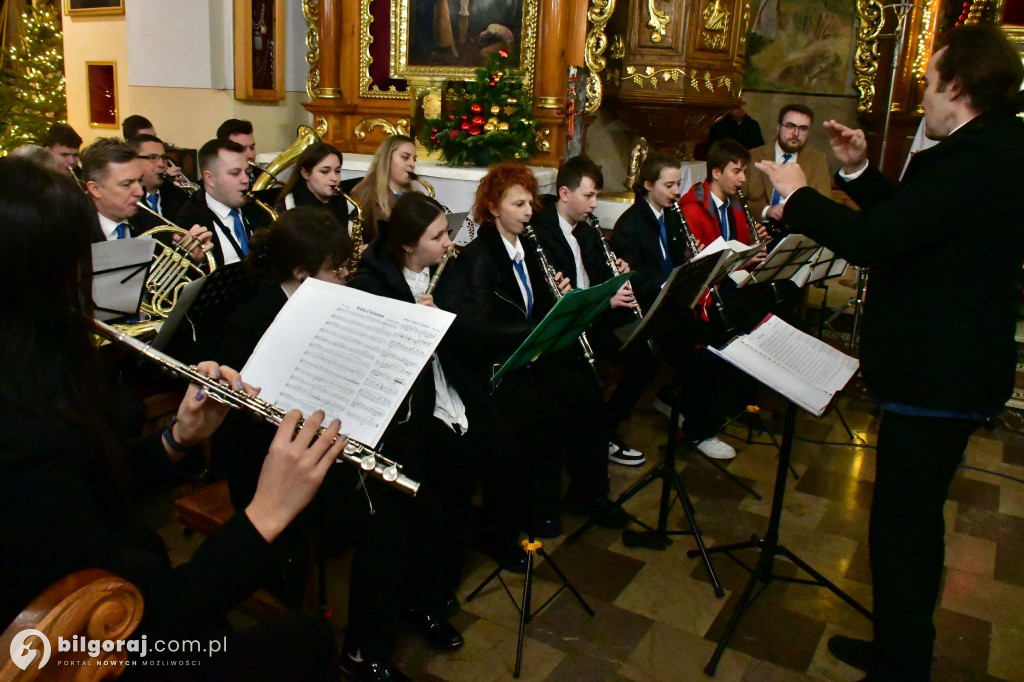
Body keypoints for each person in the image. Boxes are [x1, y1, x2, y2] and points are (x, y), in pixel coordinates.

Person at [0, 156, 342, 680]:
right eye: (81, 262)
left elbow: (83, 480)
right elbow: (164, 623)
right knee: (306, 643)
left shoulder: (30, 386)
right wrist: (267, 513)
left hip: (119, 599)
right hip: (95, 651)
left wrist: (177, 439)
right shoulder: (21, 438)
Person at [755, 24, 1024, 682]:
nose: (923, 96)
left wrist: (799, 195)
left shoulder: (977, 158)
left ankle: (903, 664)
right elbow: (912, 221)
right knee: (907, 519)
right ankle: (900, 646)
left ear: (957, 87)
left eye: (928, 83)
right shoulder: (993, 147)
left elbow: (878, 242)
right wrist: (858, 172)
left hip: (939, 374)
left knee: (904, 526)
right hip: (948, 371)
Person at [216, 206, 460, 681]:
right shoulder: (251, 321)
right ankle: (364, 653)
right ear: (302, 273)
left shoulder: (333, 301)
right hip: (279, 465)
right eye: (337, 270)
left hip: (330, 445)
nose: (348, 277)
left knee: (427, 494)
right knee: (384, 526)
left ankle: (416, 601)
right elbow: (244, 425)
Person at [441, 161, 628, 537]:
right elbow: (481, 327)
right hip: (500, 365)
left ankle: (588, 492)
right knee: (547, 414)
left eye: (529, 204)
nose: (529, 212)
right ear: (493, 208)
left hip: (531, 352)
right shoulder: (481, 256)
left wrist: (560, 298)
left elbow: (535, 303)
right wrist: (534, 328)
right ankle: (540, 507)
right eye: (518, 205)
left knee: (587, 393)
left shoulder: (528, 244)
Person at [610, 151, 738, 460]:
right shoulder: (631, 223)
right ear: (648, 185)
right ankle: (698, 429)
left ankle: (688, 412)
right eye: (669, 185)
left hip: (671, 306)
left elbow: (678, 253)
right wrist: (672, 277)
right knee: (696, 352)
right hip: (644, 310)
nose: (676, 192)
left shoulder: (671, 214)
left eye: (678, 184)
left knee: (717, 341)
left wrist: (692, 261)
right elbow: (634, 275)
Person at [529, 156, 651, 467]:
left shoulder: (586, 228)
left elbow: (597, 274)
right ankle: (594, 440)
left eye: (597, 195)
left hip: (595, 318)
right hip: (572, 329)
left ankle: (606, 429)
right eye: (589, 195)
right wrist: (605, 302)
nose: (594, 204)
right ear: (565, 194)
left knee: (648, 350)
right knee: (592, 377)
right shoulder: (543, 234)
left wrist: (618, 275)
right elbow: (562, 299)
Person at [81, 138, 211, 261]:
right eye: (126, 184)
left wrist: (192, 257)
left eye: (139, 181)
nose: (139, 192)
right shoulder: (72, 233)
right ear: (95, 189)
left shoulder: (151, 223)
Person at [174, 138, 272, 267]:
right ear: (210, 179)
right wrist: (197, 262)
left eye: (247, 172)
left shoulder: (258, 208)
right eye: (235, 173)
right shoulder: (187, 221)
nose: (245, 180)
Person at [744, 103, 832, 223]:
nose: (796, 133)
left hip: (798, 232)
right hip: (760, 230)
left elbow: (824, 207)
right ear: (779, 127)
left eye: (803, 128)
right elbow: (736, 200)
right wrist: (766, 210)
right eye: (790, 126)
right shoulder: (753, 156)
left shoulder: (817, 160)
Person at [350, 135, 419, 246]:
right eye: (405, 157)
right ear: (386, 159)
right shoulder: (365, 194)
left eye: (414, 159)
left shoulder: (414, 196)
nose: (412, 164)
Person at [275, 141, 352, 225]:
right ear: (305, 173)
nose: (334, 178)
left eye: (337, 171)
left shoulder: (344, 202)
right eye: (325, 171)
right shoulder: (289, 207)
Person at [127, 133, 191, 229]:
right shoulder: (127, 200)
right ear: (133, 160)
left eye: (164, 158)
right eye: (153, 158)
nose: (162, 164)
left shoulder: (178, 196)